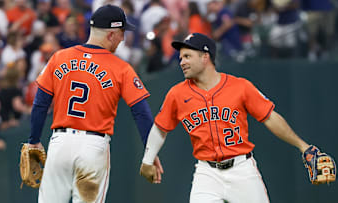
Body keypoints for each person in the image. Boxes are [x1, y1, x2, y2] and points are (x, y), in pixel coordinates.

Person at [139, 33, 314, 203]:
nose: (182, 62)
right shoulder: (177, 94)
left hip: (242, 169)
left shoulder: (240, 87)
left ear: (205, 57)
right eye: (181, 58)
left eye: (187, 56)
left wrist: (302, 145)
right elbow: (160, 128)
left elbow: (270, 118)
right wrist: (147, 160)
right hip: (206, 172)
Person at [26, 4, 162, 203]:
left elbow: (40, 103)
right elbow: (141, 113)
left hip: (59, 145)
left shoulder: (59, 57)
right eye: (121, 33)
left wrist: (33, 141)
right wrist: (151, 153)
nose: (123, 38)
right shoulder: (121, 68)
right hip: (93, 147)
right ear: (111, 34)